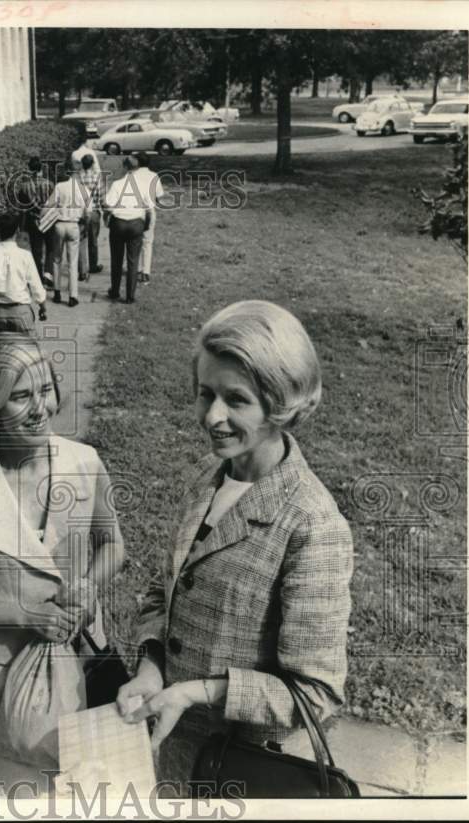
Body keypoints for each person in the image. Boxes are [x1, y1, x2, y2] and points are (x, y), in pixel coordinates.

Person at [116, 300, 353, 797]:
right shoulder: (208, 477)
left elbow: (313, 696)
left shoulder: (312, 524)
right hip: (170, 758)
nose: (213, 417)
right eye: (205, 394)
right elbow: (164, 596)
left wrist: (196, 692)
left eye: (236, 399)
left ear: (281, 403)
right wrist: (152, 669)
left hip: (236, 775)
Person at [0, 333, 125, 796]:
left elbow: (113, 546)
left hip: (84, 660)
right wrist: (24, 614)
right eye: (20, 396)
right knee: (28, 796)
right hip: (4, 675)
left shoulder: (84, 462)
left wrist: (86, 586)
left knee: (95, 793)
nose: (40, 407)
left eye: (45, 390)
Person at [0, 211, 48, 333]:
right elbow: (36, 287)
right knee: (28, 350)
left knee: (4, 351)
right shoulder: (25, 256)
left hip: (1, 313)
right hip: (22, 312)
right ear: (17, 231)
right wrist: (42, 307)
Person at [103, 156, 151, 304]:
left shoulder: (117, 184)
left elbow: (108, 205)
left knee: (116, 259)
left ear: (124, 167)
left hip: (118, 223)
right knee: (133, 260)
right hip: (136, 223)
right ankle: (130, 295)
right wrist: (146, 225)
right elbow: (149, 209)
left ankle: (115, 291)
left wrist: (106, 218)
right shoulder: (144, 185)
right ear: (137, 168)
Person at [44, 158, 87, 307]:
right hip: (74, 225)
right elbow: (88, 212)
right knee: (72, 262)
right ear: (79, 172)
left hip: (59, 225)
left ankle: (57, 291)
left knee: (57, 259)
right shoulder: (83, 189)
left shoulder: (60, 186)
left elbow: (48, 205)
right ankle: (73, 296)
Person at [15, 156, 56, 289]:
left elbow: (21, 207)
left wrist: (21, 226)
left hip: (33, 220)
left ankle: (38, 278)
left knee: (36, 250)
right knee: (50, 248)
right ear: (41, 169)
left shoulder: (23, 186)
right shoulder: (49, 184)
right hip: (48, 219)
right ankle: (48, 274)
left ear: (28, 169)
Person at [131, 152, 164, 284]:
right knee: (147, 242)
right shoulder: (154, 176)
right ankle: (145, 272)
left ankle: (136, 269)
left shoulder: (132, 175)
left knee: (134, 241)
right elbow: (159, 196)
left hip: (134, 211)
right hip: (149, 211)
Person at [75, 153, 105, 282]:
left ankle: (81, 268)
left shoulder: (77, 178)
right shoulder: (97, 177)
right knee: (93, 240)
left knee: (81, 240)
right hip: (93, 212)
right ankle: (93, 265)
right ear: (93, 164)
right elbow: (101, 196)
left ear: (82, 164)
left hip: (79, 212)